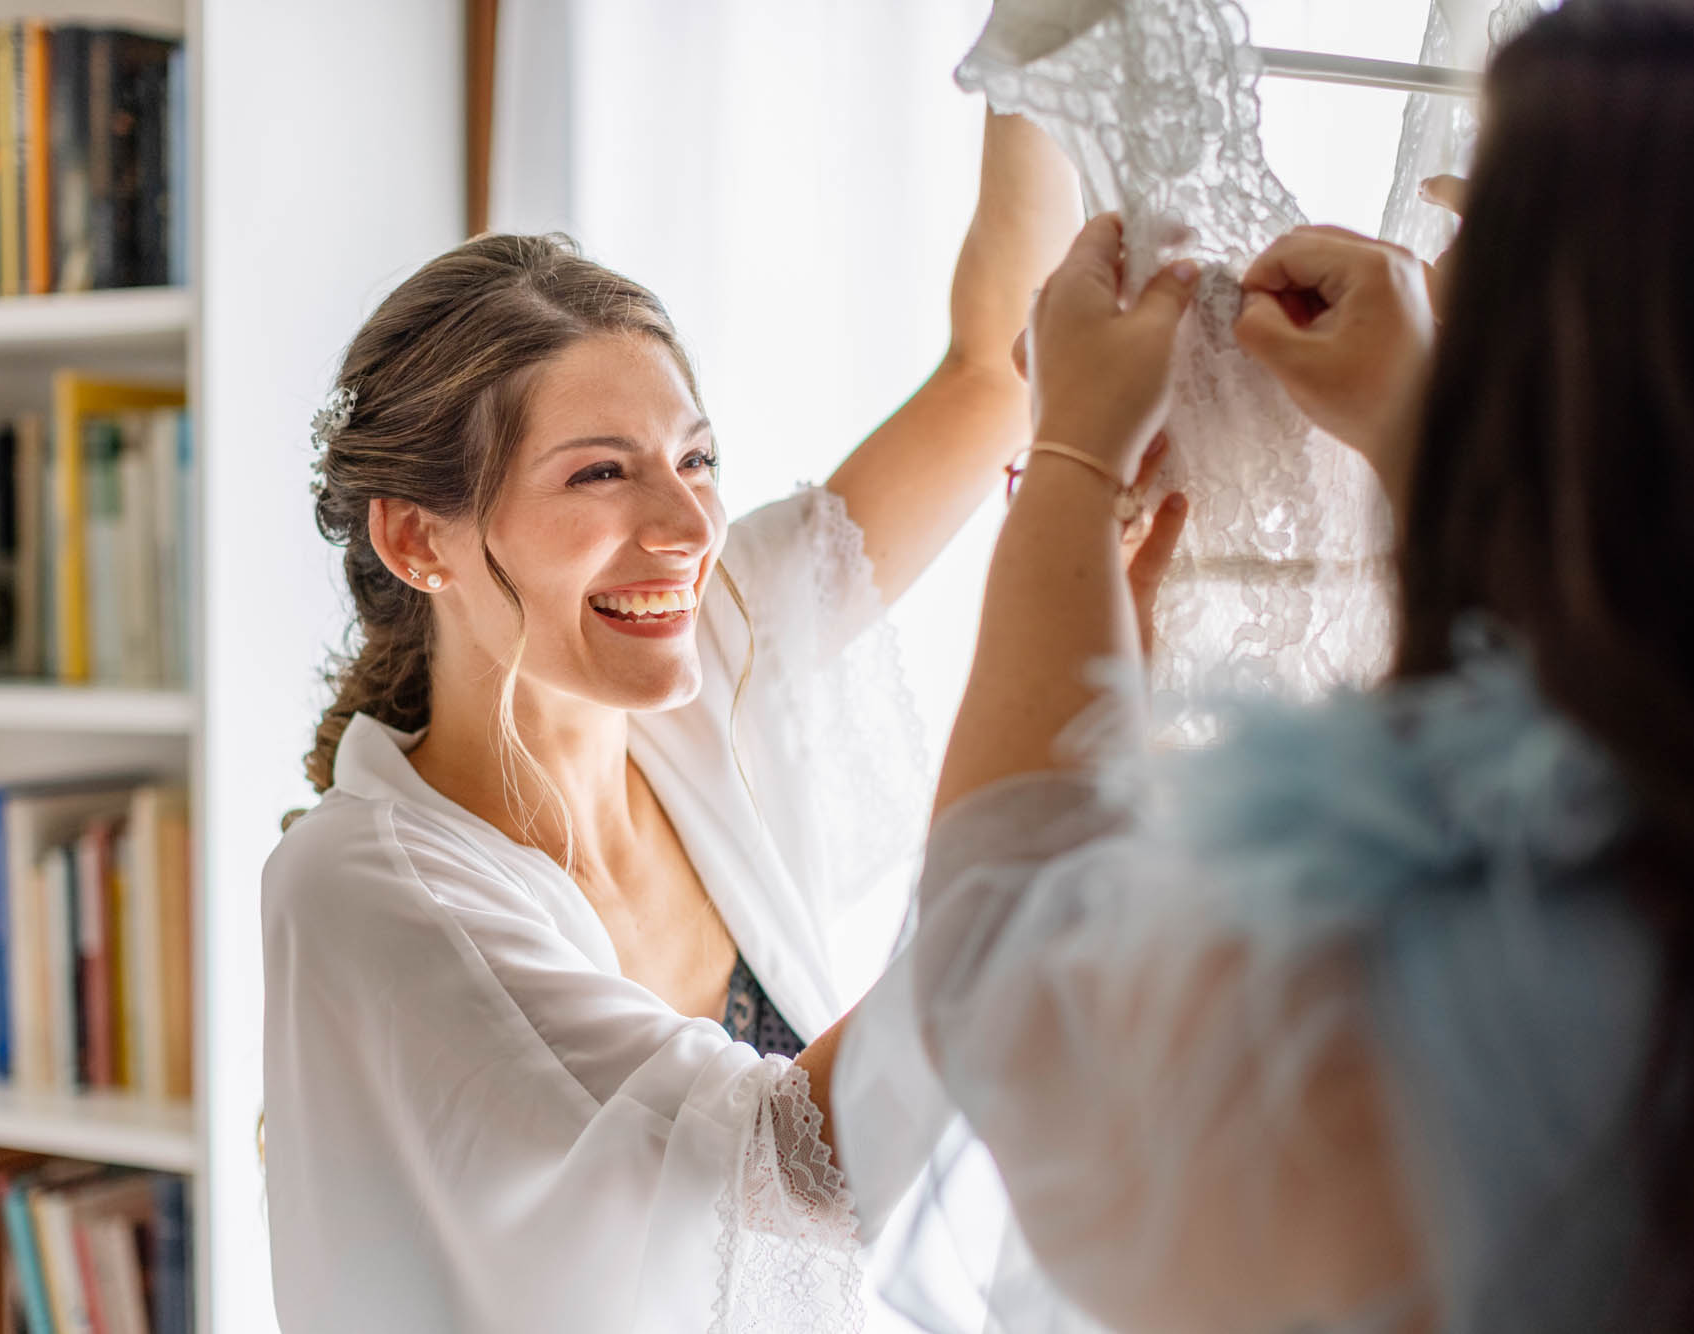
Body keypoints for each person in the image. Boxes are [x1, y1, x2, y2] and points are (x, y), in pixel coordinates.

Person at [838, 2, 1694, 1331]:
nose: (1443, 244)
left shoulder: (1482, 967)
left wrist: (1070, 461)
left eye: (1489, 225)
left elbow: (1009, 966)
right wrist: (1435, 443)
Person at [259, 111, 1090, 1333]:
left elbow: (998, 372)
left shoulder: (707, 666)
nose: (689, 530)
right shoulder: (365, 886)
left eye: (694, 460)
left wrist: (1049, 51)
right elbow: (812, 1162)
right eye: (598, 473)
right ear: (413, 536)